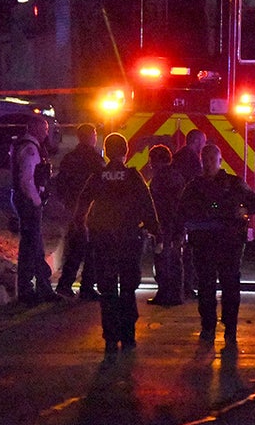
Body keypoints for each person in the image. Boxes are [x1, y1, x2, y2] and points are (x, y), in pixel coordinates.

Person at [73, 133, 160, 359]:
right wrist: (156, 232)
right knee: (128, 288)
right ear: (126, 152)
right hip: (129, 239)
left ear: (106, 151)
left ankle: (110, 338)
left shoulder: (98, 176)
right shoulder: (132, 176)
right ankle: (128, 335)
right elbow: (147, 205)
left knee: (108, 288)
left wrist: (80, 224)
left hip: (103, 239)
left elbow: (83, 201)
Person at [179, 144, 255, 352]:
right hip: (203, 244)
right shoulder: (194, 186)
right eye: (204, 161)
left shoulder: (234, 184)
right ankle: (208, 327)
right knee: (206, 287)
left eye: (211, 161)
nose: (207, 165)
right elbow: (181, 211)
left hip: (229, 244)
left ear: (219, 162)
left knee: (230, 287)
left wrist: (242, 210)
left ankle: (230, 329)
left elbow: (253, 202)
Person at [53, 123, 104, 299]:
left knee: (75, 249)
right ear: (91, 136)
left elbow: (60, 183)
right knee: (91, 250)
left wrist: (67, 204)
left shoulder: (70, 158)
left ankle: (65, 285)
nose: (95, 137)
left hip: (74, 210)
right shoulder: (95, 159)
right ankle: (87, 287)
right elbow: (101, 185)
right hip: (90, 211)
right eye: (95, 134)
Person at [11, 115, 58, 304]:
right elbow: (26, 179)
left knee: (32, 246)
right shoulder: (30, 149)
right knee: (33, 247)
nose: (47, 133)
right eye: (45, 129)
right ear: (36, 129)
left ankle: (35, 288)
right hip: (29, 202)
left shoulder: (29, 146)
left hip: (27, 200)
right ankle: (33, 289)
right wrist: (37, 200)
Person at [146, 144, 186, 306]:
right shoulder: (177, 176)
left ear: (156, 161)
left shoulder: (160, 179)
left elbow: (157, 204)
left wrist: (154, 227)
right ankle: (176, 294)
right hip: (176, 224)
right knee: (175, 259)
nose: (150, 164)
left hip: (165, 224)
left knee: (163, 259)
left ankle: (165, 294)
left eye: (151, 160)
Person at [172, 129, 206, 298]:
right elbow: (197, 186)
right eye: (203, 142)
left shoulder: (177, 157)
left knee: (177, 249)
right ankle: (186, 286)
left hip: (176, 210)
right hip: (188, 212)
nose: (203, 145)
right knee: (188, 252)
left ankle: (179, 285)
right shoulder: (192, 159)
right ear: (197, 141)